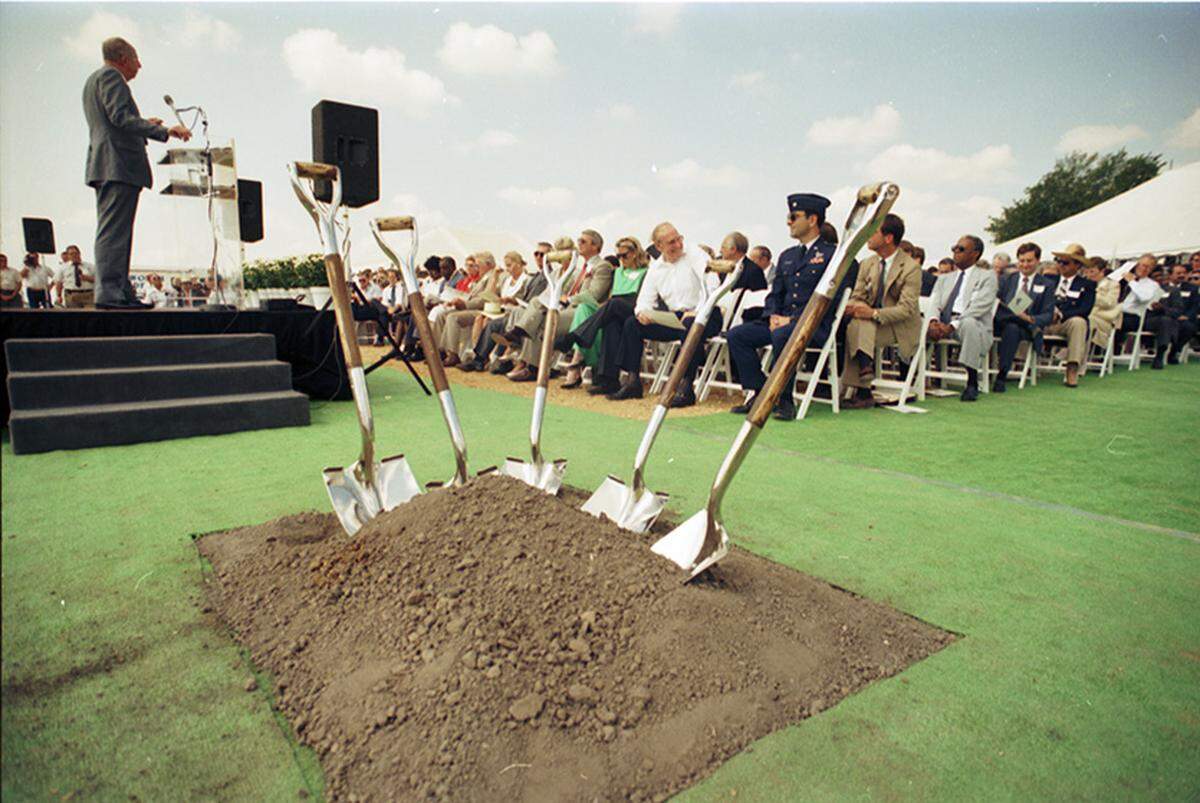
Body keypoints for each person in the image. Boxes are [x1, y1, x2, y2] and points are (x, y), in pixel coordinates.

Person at [725, 193, 855, 420]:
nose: (788, 221)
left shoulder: (833, 256)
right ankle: (759, 392)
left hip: (813, 326)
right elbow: (776, 293)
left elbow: (829, 301)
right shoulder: (788, 255)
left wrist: (793, 320)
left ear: (813, 220)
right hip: (781, 323)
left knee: (783, 335)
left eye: (794, 216)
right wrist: (773, 314)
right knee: (737, 335)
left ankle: (784, 400)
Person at [83, 37, 191, 309]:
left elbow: (112, 121)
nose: (139, 65)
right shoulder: (111, 77)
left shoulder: (93, 80)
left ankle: (120, 291)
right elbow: (119, 117)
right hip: (118, 165)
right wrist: (165, 131)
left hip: (108, 164)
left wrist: (145, 123)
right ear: (122, 58)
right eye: (136, 58)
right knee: (114, 233)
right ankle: (110, 294)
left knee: (117, 232)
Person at [604, 222, 721, 406]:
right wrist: (642, 312)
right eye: (671, 242)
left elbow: (712, 285)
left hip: (706, 313)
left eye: (678, 239)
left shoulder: (696, 254)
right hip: (675, 318)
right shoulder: (656, 268)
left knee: (690, 325)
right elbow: (644, 299)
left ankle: (686, 387)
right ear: (659, 246)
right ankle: (633, 381)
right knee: (632, 324)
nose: (677, 244)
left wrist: (697, 311)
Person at [839, 213, 923, 408]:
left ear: (888, 238)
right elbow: (857, 295)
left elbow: (906, 310)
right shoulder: (867, 263)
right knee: (858, 324)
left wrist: (874, 314)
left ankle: (862, 386)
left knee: (857, 326)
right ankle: (864, 374)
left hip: (897, 326)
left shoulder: (911, 268)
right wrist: (858, 307)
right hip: (867, 323)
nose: (868, 235)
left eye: (873, 231)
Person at [505, 230, 613, 382]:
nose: (579, 244)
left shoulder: (602, 267)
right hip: (569, 309)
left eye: (583, 241)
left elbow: (594, 295)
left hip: (584, 313)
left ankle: (532, 364)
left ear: (595, 246)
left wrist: (569, 299)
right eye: (579, 240)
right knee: (538, 308)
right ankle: (529, 359)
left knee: (543, 320)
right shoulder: (584, 267)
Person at [926, 235, 998, 401]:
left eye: (961, 249)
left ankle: (972, 381)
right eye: (954, 248)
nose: (955, 252)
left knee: (969, 323)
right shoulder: (944, 278)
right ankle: (908, 375)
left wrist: (952, 325)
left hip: (970, 323)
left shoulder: (987, 276)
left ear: (975, 254)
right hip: (943, 322)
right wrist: (933, 321)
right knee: (916, 324)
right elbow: (934, 303)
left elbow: (979, 307)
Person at [991, 242, 1056, 392]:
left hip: (1026, 326)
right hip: (1000, 323)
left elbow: (1048, 315)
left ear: (1037, 261)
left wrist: (1030, 320)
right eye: (1021, 261)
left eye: (1029, 261)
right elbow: (996, 302)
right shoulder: (1008, 279)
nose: (1025, 265)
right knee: (1004, 315)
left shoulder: (1047, 284)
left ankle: (1002, 376)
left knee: (1012, 327)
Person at [1041, 243, 1097, 385]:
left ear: (1077, 265)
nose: (1061, 265)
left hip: (1065, 323)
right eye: (1058, 261)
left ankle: (1072, 368)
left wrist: (1060, 315)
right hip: (1043, 320)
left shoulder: (1087, 285)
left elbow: (1085, 310)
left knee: (1079, 322)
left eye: (1065, 262)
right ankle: (1017, 362)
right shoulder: (1048, 279)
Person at [1116, 253, 1171, 369]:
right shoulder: (1122, 278)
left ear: (1151, 269)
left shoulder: (1152, 284)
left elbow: (1144, 297)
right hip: (1115, 312)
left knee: (1117, 322)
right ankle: (1101, 353)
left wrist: (1132, 282)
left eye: (1148, 267)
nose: (1143, 268)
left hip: (1133, 317)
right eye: (1141, 265)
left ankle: (1113, 349)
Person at [1085, 257, 1121, 353]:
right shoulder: (1083, 283)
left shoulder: (1112, 284)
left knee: (1086, 321)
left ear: (1102, 271)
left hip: (1103, 319)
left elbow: (1110, 303)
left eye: (1092, 272)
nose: (1088, 275)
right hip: (1086, 315)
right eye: (1086, 272)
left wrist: (1092, 295)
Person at [1162, 264, 1197, 364]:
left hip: (1184, 319)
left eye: (1183, 273)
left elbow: (1195, 306)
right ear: (1170, 275)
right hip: (1168, 317)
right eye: (1178, 273)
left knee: (1189, 328)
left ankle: (1174, 352)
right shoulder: (1162, 288)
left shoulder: (1192, 289)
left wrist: (1186, 316)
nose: (1181, 275)